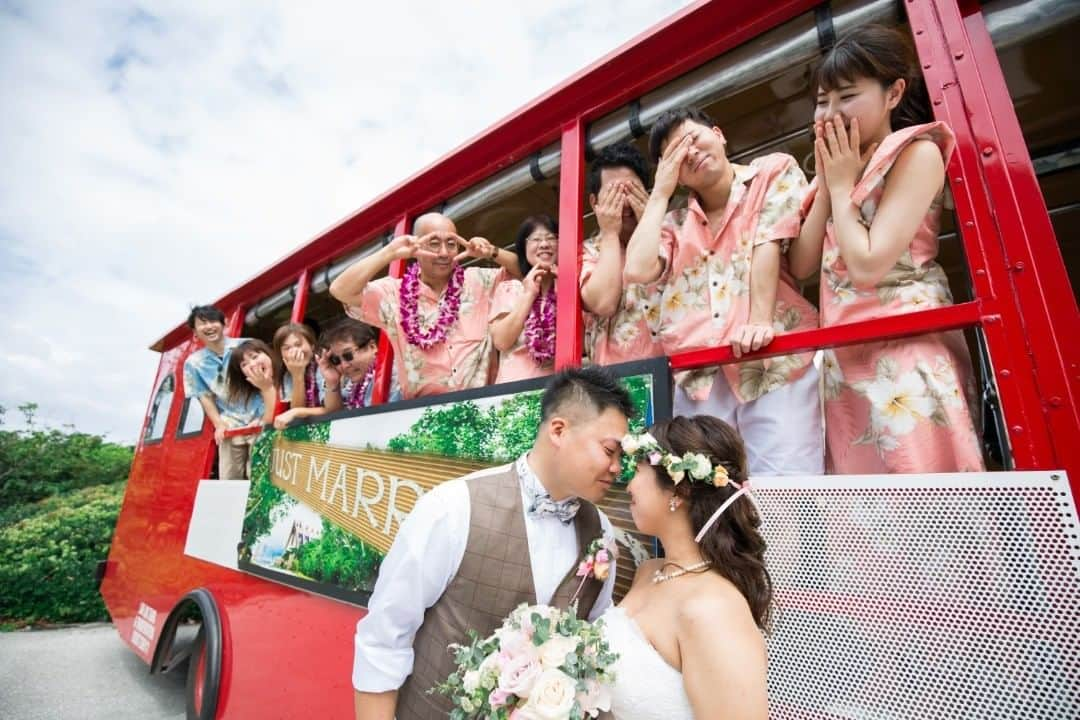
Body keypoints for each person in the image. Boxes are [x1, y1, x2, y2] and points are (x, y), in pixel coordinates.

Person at [352, 367, 634, 720]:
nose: (617, 467)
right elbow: (384, 638)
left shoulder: (601, 532)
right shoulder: (454, 507)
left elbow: (592, 632)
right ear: (558, 430)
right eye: (610, 451)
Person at [788, 25, 984, 473]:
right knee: (867, 509)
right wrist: (827, 182)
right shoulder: (836, 166)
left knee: (924, 489)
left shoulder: (917, 151)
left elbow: (868, 266)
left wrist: (839, 187)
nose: (831, 113)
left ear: (894, 93)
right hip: (844, 356)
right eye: (822, 101)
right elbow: (801, 264)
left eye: (847, 96)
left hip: (905, 350)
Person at [624, 106, 824, 475]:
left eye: (694, 139)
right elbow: (636, 269)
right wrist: (660, 192)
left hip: (772, 362)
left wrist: (759, 322)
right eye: (676, 156)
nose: (692, 153)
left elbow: (768, 242)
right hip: (700, 379)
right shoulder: (673, 223)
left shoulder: (771, 172)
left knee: (786, 490)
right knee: (709, 499)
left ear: (718, 133)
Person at [606, 415, 769, 720]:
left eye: (638, 468)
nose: (628, 482)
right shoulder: (650, 572)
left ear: (679, 491)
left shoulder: (712, 609)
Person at [329, 212, 519, 398]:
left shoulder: (479, 281)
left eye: (451, 244)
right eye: (434, 244)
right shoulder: (392, 294)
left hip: (483, 410)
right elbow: (340, 290)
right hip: (423, 416)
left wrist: (492, 252)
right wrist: (389, 252)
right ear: (415, 247)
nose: (444, 252)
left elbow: (526, 271)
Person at [580, 142, 666, 366]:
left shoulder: (669, 234)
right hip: (616, 383)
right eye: (613, 193)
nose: (624, 202)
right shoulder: (584, 252)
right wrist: (610, 234)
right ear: (594, 202)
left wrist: (648, 223)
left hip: (676, 376)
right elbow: (603, 304)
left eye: (630, 190)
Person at [181, 305, 260, 479]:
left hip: (259, 419)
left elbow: (268, 380)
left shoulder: (246, 346)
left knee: (259, 479)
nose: (209, 326)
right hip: (230, 424)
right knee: (229, 480)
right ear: (195, 332)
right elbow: (204, 396)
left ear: (224, 323)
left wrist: (267, 415)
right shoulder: (193, 363)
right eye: (202, 323)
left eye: (213, 321)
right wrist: (219, 424)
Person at [490, 215, 559, 383]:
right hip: (513, 392)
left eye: (551, 238)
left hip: (557, 391)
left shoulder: (569, 288)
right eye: (536, 239)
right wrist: (529, 295)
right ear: (523, 249)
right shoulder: (510, 288)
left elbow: (584, 341)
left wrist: (565, 289)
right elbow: (501, 341)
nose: (544, 244)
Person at [219, 339, 278, 477]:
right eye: (244, 364)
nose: (253, 364)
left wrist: (267, 388)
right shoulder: (250, 395)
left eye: (255, 356)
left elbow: (271, 421)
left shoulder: (286, 378)